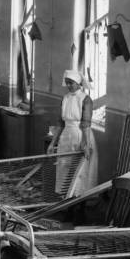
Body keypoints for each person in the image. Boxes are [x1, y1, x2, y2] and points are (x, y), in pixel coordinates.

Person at [47, 70, 98, 199]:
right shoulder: (65, 98)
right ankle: (67, 203)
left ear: (79, 83)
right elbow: (60, 123)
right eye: (67, 83)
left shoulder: (85, 99)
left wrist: (85, 143)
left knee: (81, 171)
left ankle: (79, 206)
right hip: (66, 136)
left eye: (71, 83)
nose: (69, 86)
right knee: (64, 169)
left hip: (81, 135)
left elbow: (86, 124)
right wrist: (53, 143)